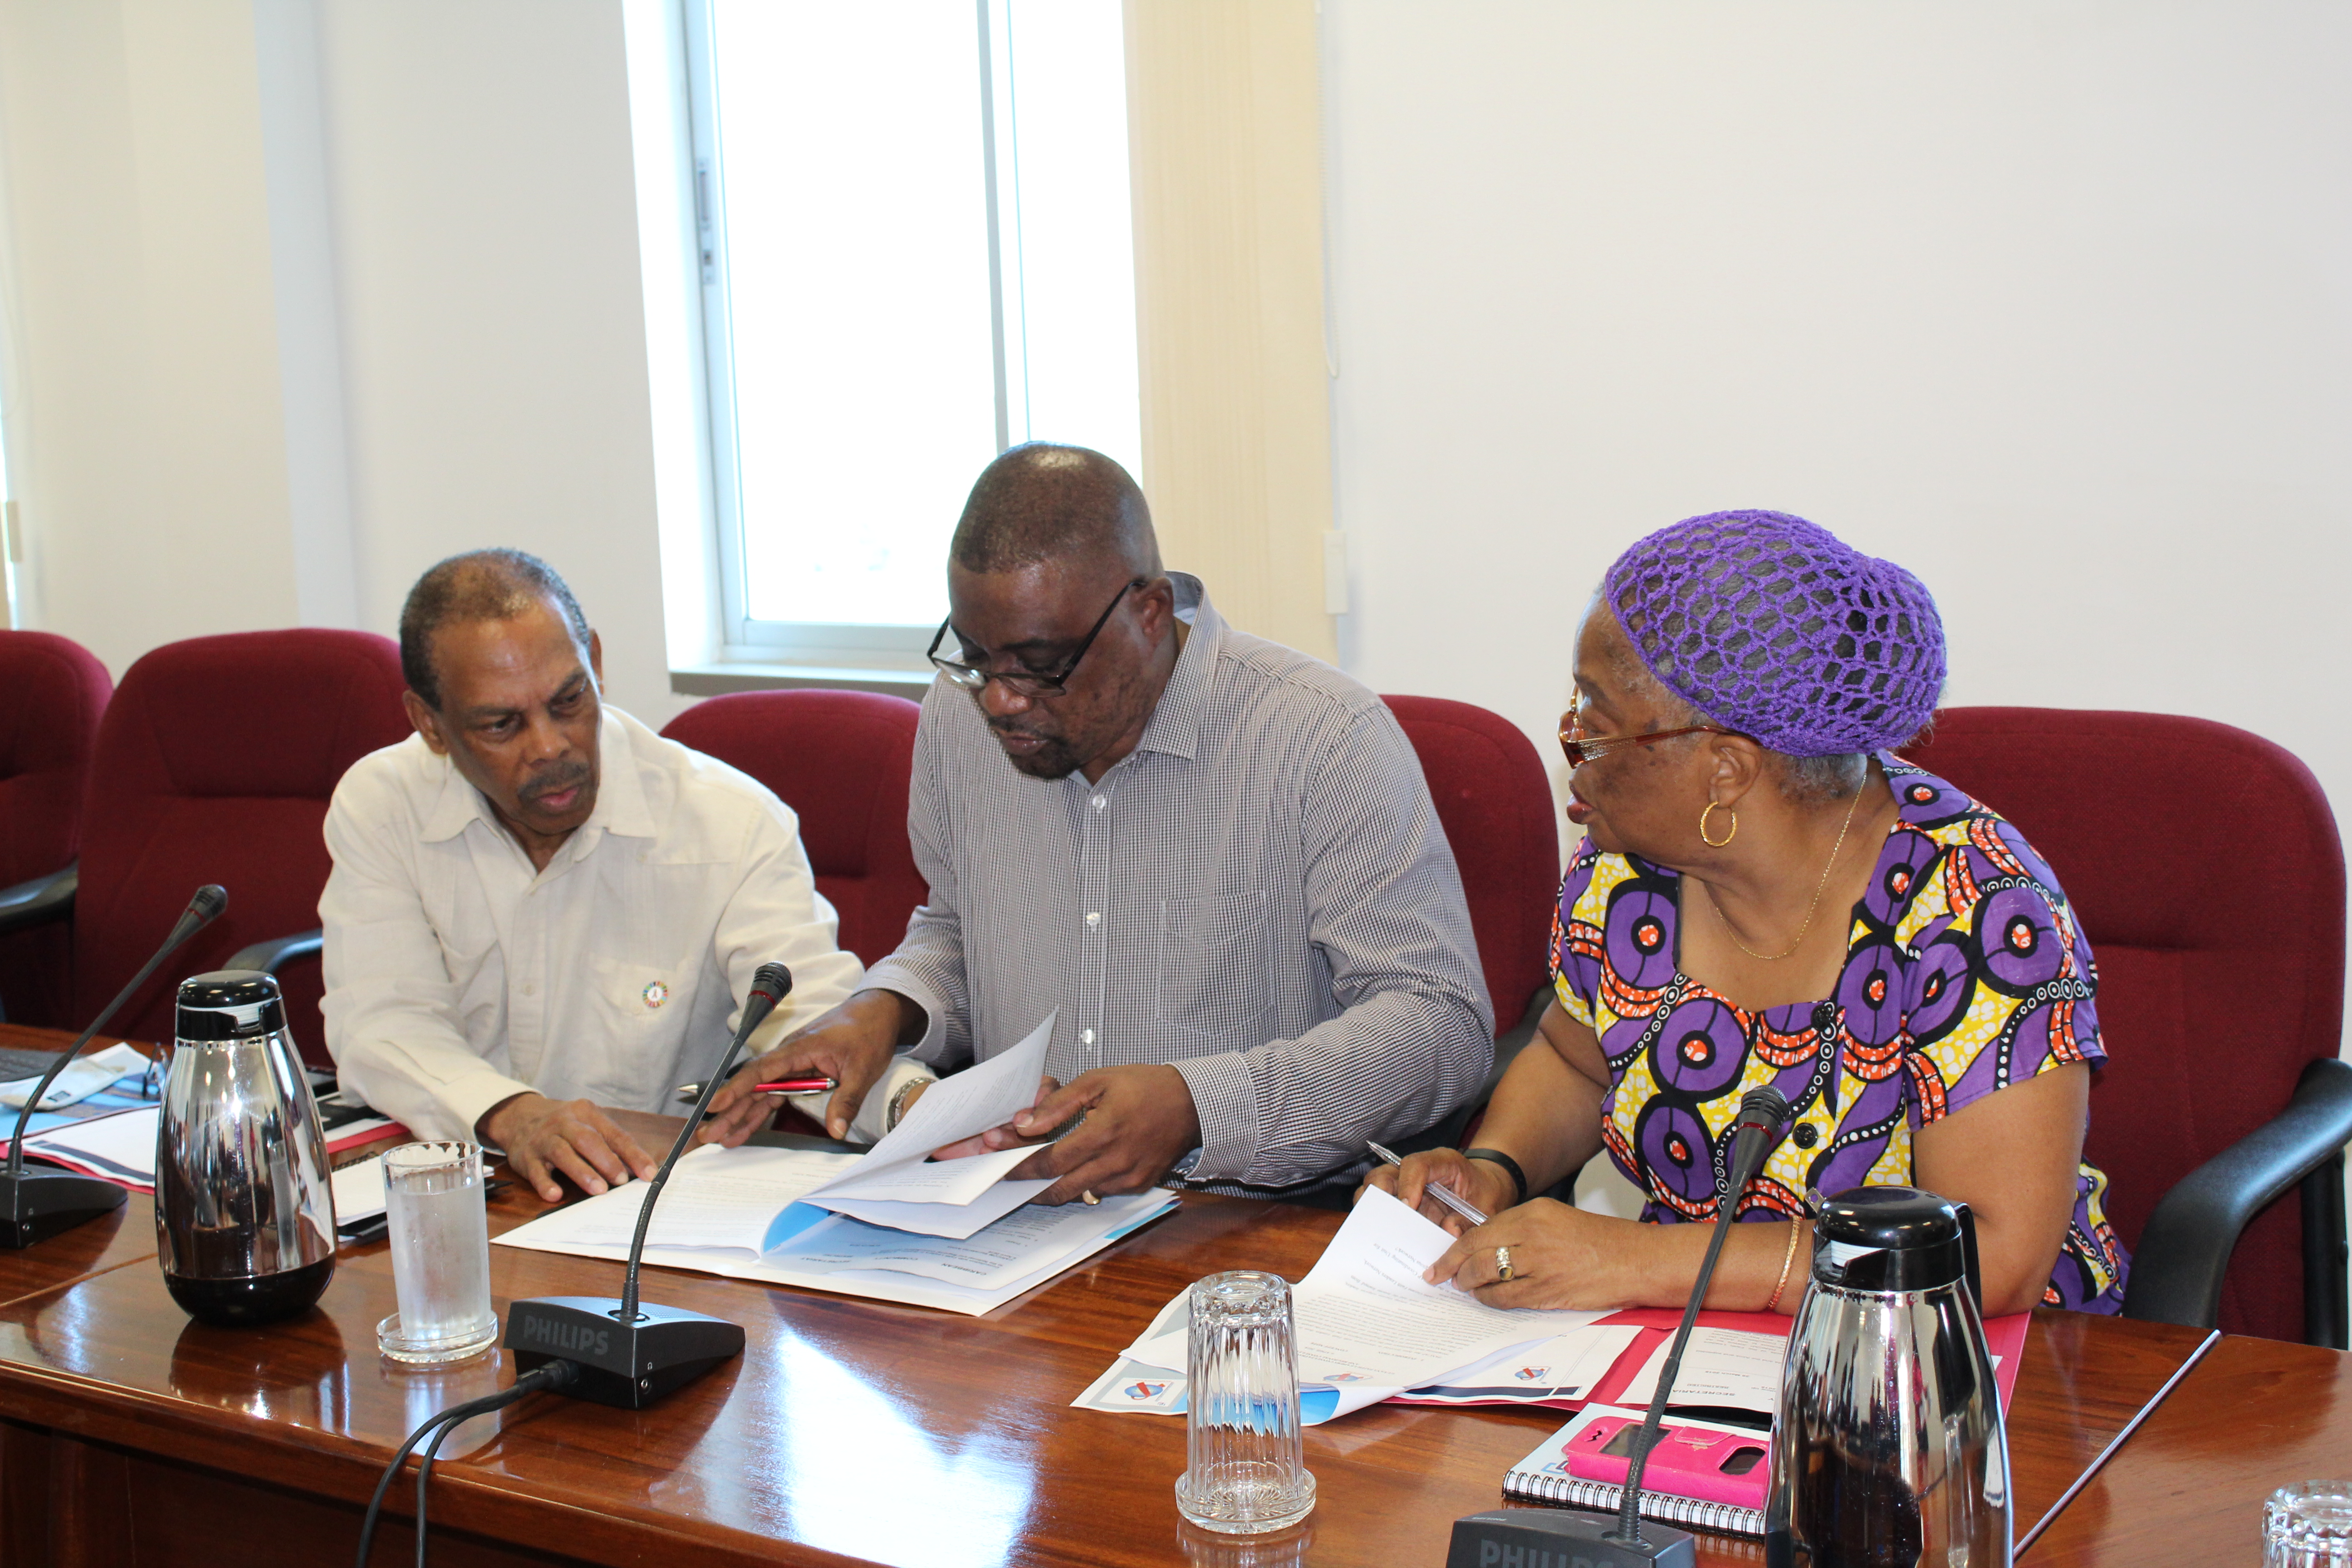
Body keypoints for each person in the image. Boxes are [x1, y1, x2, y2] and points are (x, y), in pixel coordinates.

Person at [1368, 509, 2130, 1317]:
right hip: (1694, 1338)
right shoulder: (1625, 866)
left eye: (1597, 721)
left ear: (1726, 769)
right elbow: (1575, 1060)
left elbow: (1997, 1254)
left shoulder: (1978, 910)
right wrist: (1494, 1169)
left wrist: (1642, 1258)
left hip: (1956, 1364)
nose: (1572, 740)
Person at [699, 444, 1494, 1202]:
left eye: (1041, 665)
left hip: (1251, 1222)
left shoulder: (1321, 736)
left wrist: (1199, 1107)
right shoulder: (956, 719)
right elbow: (956, 929)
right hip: (1009, 1212)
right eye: (975, 657)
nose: (1002, 700)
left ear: (1149, 612)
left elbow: (1438, 1025)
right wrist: (881, 1011)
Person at [322, 549, 862, 1202]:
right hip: (467, 1192)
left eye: (569, 699)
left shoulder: (733, 824)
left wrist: (903, 1097)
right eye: (502, 724)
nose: (550, 746)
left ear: (597, 663)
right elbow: (380, 1021)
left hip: (647, 1200)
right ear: (430, 724)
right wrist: (511, 1113)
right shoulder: (383, 804)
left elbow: (819, 1022)